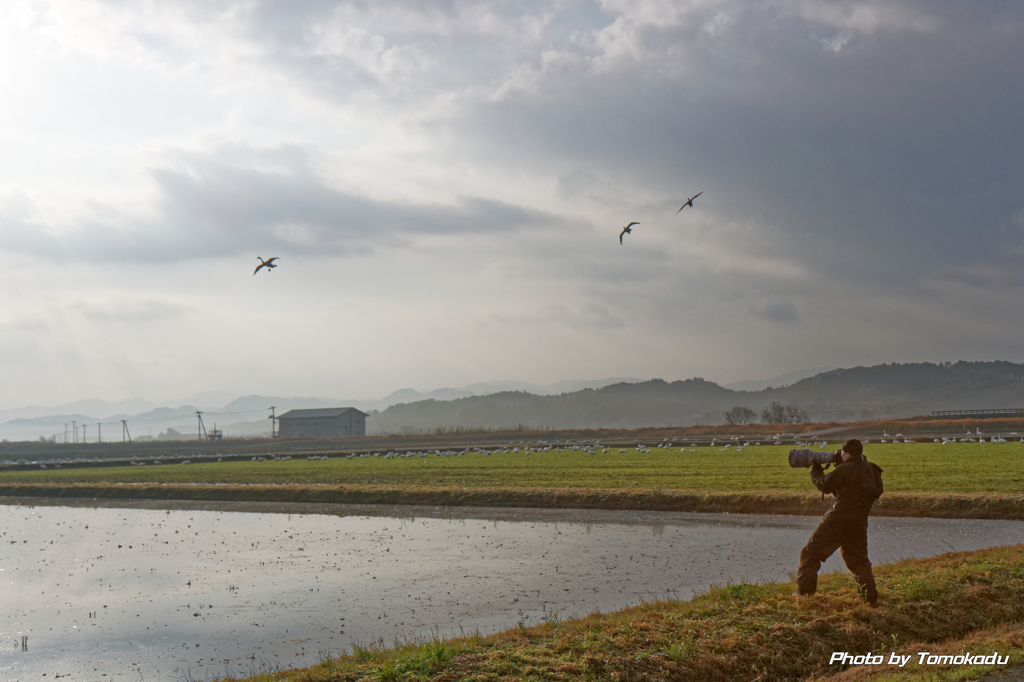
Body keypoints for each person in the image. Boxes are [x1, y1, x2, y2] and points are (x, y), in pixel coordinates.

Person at [795, 438, 884, 605]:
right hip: (859, 522)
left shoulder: (845, 470)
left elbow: (824, 485)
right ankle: (870, 598)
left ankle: (804, 595)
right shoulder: (872, 469)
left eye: (842, 452)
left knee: (810, 553)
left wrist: (816, 470)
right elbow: (872, 489)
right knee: (859, 560)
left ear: (847, 453)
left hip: (837, 520)